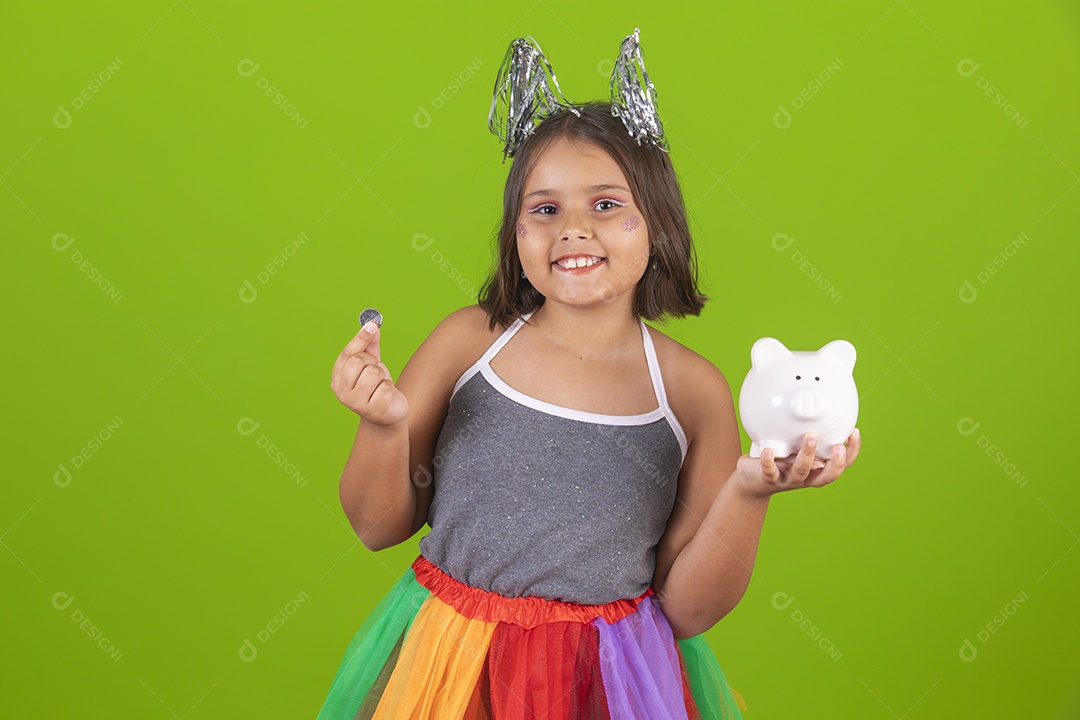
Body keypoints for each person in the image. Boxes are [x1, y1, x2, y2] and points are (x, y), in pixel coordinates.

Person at [319, 32, 860, 720]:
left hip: (608, 687)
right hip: (453, 677)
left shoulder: (693, 394)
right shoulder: (467, 343)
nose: (573, 229)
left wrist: (751, 491)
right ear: (515, 235)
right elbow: (376, 526)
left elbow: (688, 609)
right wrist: (382, 425)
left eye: (606, 205)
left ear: (656, 227)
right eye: (544, 209)